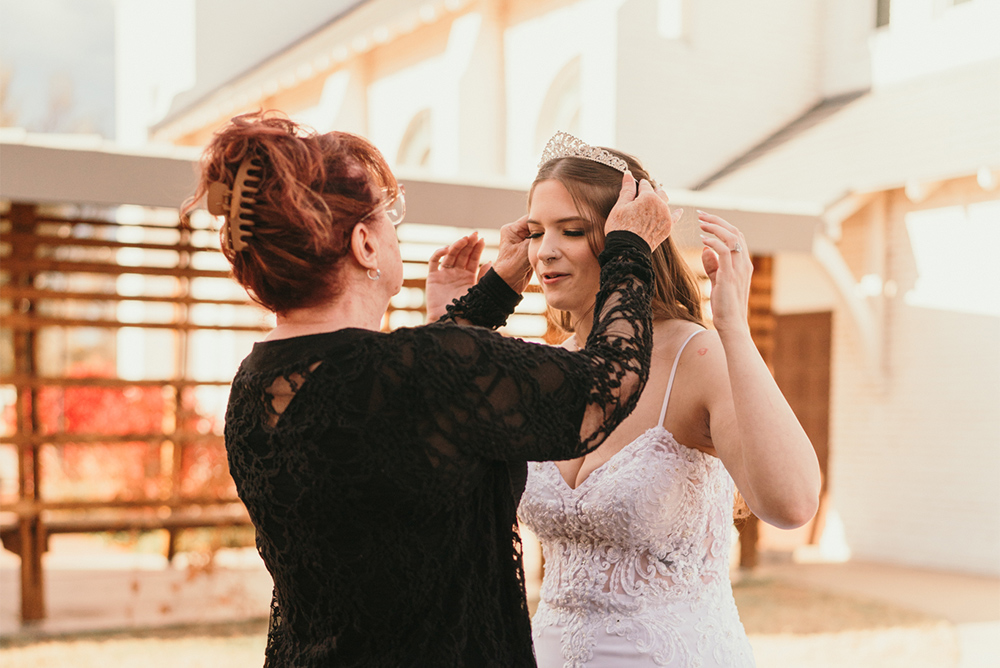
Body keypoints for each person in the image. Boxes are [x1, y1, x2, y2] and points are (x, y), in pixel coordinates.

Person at [182, 112, 677, 668]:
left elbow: (401, 415)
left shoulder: (255, 386)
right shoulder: (418, 368)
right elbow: (607, 382)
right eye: (387, 214)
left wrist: (490, 293)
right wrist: (630, 248)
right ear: (365, 244)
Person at [428, 132, 821, 668]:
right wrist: (451, 323)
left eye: (572, 230)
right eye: (536, 232)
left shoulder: (696, 357)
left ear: (629, 238)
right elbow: (437, 481)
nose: (545, 251)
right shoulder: (548, 370)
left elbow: (791, 504)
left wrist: (734, 327)